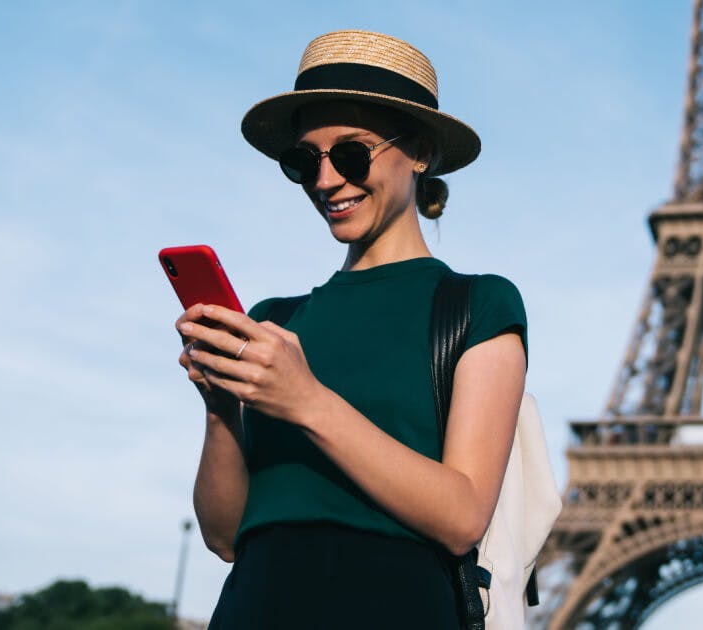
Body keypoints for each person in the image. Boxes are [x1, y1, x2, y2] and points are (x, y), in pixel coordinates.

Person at [174, 30, 527, 629]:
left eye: (352, 154)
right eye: (304, 161)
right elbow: (226, 535)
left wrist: (306, 400)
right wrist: (220, 408)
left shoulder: (476, 304)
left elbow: (464, 514)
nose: (325, 180)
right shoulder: (271, 323)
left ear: (418, 150)